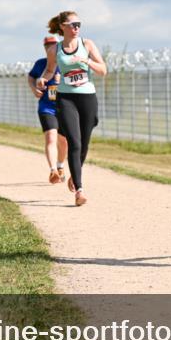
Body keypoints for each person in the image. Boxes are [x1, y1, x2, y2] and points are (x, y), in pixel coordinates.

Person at [36, 11, 107, 206]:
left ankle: (74, 174)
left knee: (84, 144)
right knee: (74, 142)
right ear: (62, 27)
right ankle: (80, 190)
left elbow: (103, 70)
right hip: (66, 98)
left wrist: (87, 61)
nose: (77, 28)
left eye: (79, 24)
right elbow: (50, 70)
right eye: (73, 24)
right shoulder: (55, 50)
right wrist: (43, 78)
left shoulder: (87, 45)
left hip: (88, 98)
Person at [28, 36, 68, 184]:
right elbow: (30, 77)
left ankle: (60, 166)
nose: (50, 47)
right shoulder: (41, 64)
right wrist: (34, 89)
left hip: (64, 108)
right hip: (47, 107)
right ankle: (53, 171)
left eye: (53, 44)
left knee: (63, 141)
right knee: (51, 137)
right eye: (47, 45)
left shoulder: (66, 64)